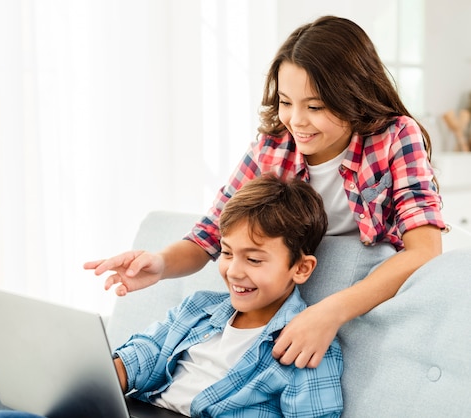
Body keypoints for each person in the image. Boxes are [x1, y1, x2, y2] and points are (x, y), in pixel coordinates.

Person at [84, 15, 446, 370]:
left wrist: (330, 311)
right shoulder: (273, 147)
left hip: (361, 300)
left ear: (354, 96)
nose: (296, 121)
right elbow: (210, 234)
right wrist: (160, 264)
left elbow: (425, 250)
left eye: (315, 106)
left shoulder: (396, 136)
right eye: (286, 102)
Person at [0, 174, 343, 417]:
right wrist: (106, 376)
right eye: (228, 253)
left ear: (301, 268)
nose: (234, 271)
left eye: (254, 259)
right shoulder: (201, 308)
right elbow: (148, 351)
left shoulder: (306, 344)